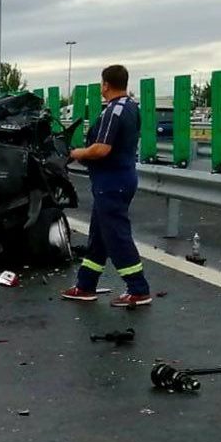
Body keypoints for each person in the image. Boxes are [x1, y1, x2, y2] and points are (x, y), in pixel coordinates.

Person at [61, 65, 152, 307]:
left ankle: (138, 289)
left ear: (105, 85)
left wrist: (78, 152)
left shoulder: (115, 110)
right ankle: (85, 285)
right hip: (120, 178)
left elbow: (102, 148)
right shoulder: (132, 107)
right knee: (99, 236)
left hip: (112, 182)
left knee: (116, 236)